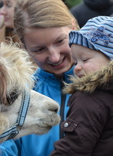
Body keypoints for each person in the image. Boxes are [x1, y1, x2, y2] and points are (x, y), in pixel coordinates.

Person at [0, 0, 79, 155]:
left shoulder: (104, 85)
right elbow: (6, 147)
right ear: (25, 47)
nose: (54, 57)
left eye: (60, 41)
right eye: (40, 49)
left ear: (73, 26)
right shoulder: (20, 95)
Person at [51, 16, 113, 156]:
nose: (77, 68)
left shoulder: (89, 99)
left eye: (84, 59)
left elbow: (73, 148)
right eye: (75, 62)